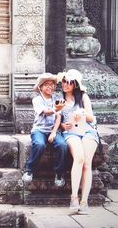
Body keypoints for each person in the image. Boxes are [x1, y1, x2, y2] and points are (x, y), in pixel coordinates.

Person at [59, 69, 99, 214]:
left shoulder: (83, 97)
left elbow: (91, 118)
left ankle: (84, 201)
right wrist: (64, 125)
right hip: (71, 133)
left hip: (88, 130)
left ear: (75, 84)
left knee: (87, 163)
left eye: (69, 82)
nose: (65, 85)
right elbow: (57, 121)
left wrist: (81, 113)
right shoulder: (60, 99)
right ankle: (74, 197)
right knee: (79, 158)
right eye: (64, 81)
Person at [22, 73, 68, 187]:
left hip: (53, 130)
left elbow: (58, 117)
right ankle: (29, 170)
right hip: (39, 130)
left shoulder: (58, 99)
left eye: (52, 85)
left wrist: (53, 132)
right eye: (46, 85)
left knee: (63, 145)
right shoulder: (37, 100)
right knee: (39, 144)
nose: (50, 87)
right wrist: (56, 109)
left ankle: (59, 173)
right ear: (40, 87)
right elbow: (46, 112)